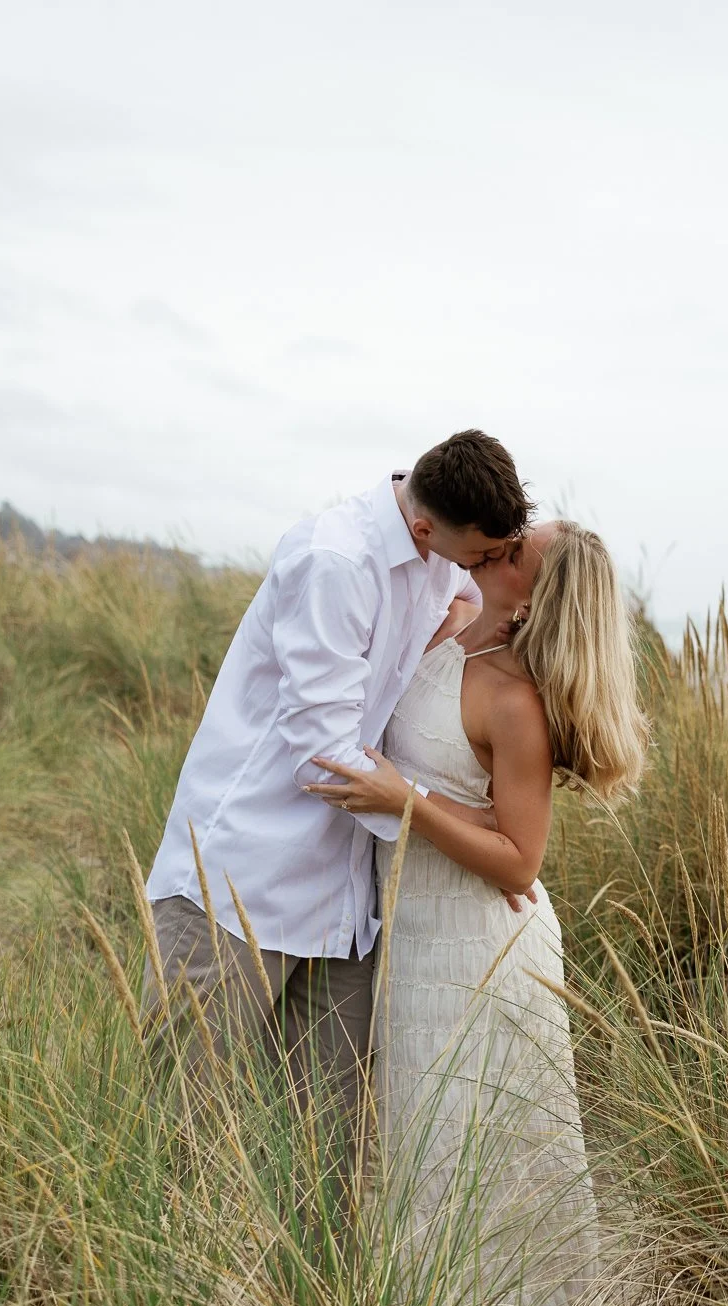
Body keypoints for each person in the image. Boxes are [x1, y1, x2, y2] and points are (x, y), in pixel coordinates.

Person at [139, 429, 531, 1213]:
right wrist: (463, 842)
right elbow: (324, 756)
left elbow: (449, 610)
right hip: (237, 887)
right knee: (182, 1141)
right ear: (426, 526)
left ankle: (305, 1297)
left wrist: (466, 616)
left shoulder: (441, 557)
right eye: (481, 556)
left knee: (328, 1161)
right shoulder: (335, 560)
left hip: (344, 907)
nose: (485, 571)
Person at [304, 520, 648, 1306]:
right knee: (423, 1141)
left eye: (524, 545)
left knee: (482, 1145)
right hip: (414, 932)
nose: (508, 538)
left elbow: (519, 859)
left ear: (536, 593)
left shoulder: (515, 702)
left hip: (482, 946)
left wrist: (406, 800)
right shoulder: (449, 624)